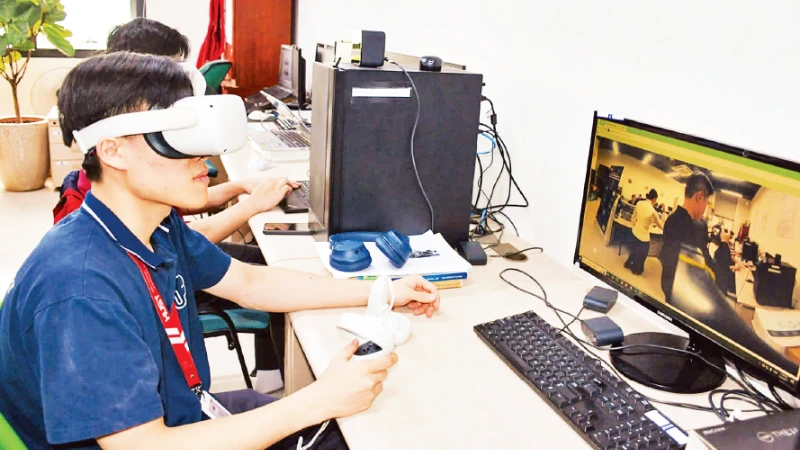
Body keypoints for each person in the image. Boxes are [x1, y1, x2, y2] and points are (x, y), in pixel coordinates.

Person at [0, 52, 441, 449]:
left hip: (181, 414)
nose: (206, 162)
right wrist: (317, 401)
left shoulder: (152, 225)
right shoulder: (79, 287)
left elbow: (250, 283)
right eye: (175, 139)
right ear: (112, 151)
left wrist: (382, 290)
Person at [660, 172, 715, 302]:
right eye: (707, 203)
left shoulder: (672, 220)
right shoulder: (691, 226)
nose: (705, 208)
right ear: (700, 197)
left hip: (677, 292)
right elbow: (704, 265)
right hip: (684, 299)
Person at [624, 188, 664, 275]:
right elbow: (659, 225)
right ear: (654, 199)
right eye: (656, 200)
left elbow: (633, 218)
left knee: (635, 250)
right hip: (643, 237)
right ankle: (636, 270)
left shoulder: (639, 203)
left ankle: (628, 263)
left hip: (634, 233)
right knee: (643, 253)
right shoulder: (653, 211)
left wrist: (637, 225)